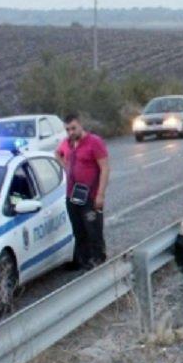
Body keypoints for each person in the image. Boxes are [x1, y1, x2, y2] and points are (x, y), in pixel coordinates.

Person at [55, 113, 110, 270]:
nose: (71, 132)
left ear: (80, 125)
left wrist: (100, 194)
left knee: (93, 229)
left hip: (90, 195)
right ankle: (83, 261)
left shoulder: (94, 142)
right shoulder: (67, 143)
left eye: (73, 128)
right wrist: (65, 166)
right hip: (72, 194)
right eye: (67, 130)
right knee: (78, 230)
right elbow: (57, 153)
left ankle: (98, 259)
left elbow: (105, 167)